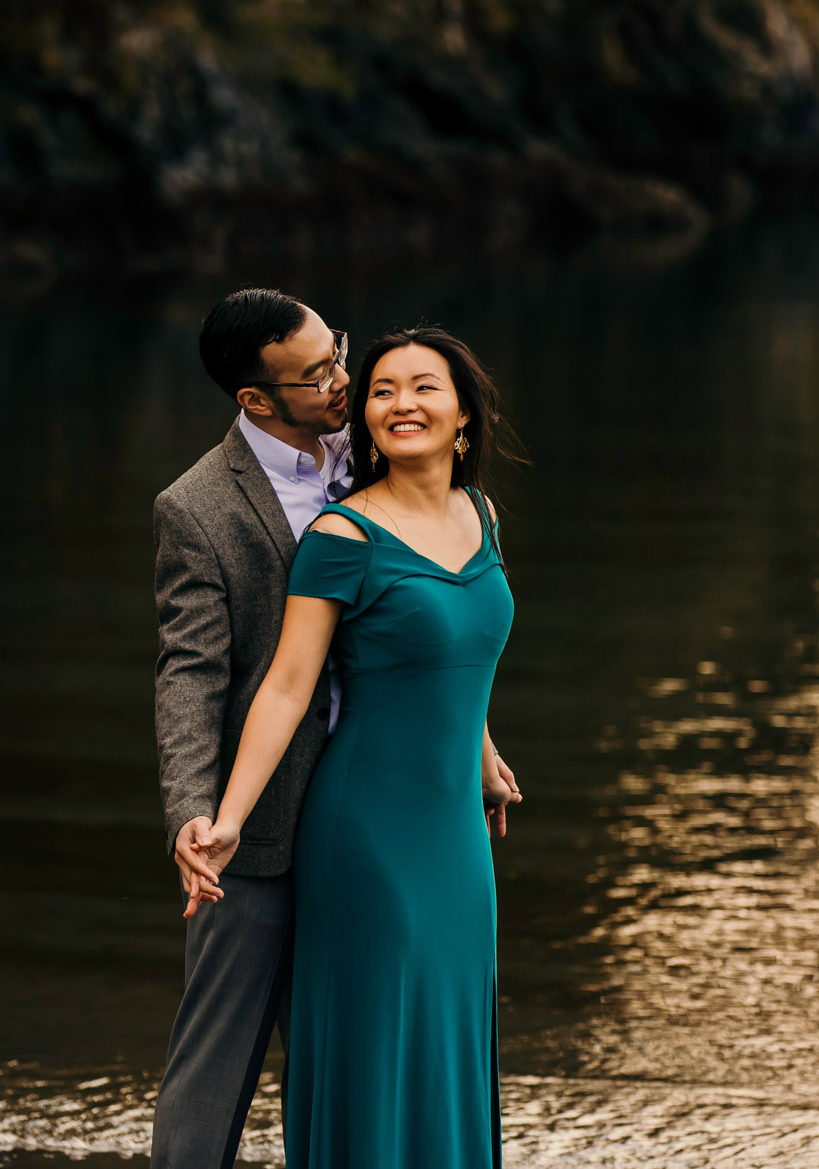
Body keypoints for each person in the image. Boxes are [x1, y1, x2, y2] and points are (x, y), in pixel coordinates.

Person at [149, 295, 520, 1169]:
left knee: (417, 1036)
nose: (348, 381)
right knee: (219, 1059)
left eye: (339, 353)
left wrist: (481, 749)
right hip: (273, 814)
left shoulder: (394, 445)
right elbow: (195, 676)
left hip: (419, 808)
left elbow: (434, 635)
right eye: (320, 373)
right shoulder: (199, 507)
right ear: (256, 399)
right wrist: (199, 816)